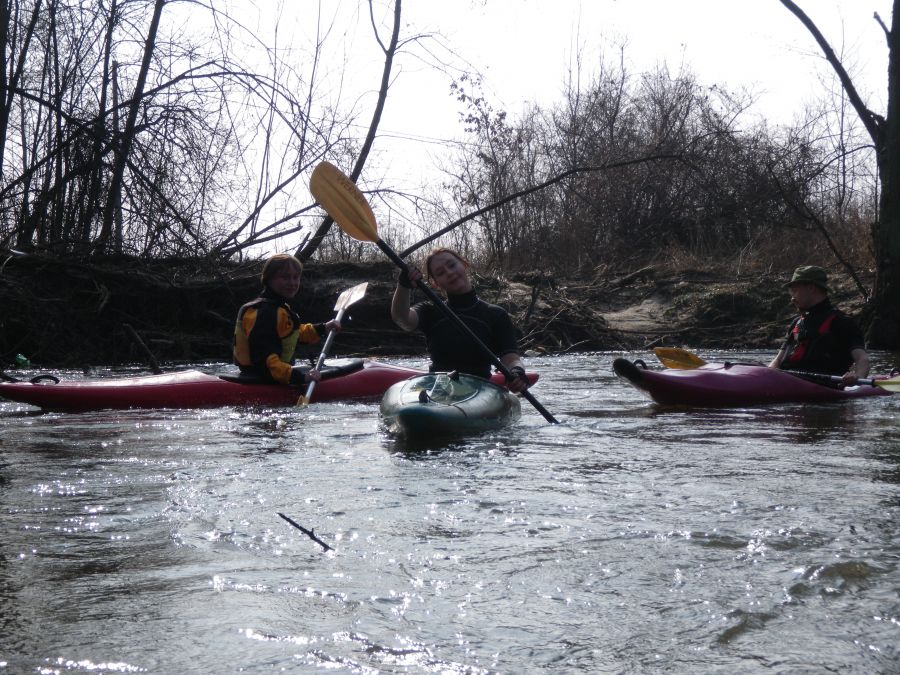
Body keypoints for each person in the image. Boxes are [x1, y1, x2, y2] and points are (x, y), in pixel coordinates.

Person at [391, 247, 530, 393]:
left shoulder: (495, 315)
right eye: (440, 273)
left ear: (464, 264)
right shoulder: (430, 311)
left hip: (479, 391)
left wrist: (517, 371)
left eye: (452, 265)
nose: (449, 273)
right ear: (435, 283)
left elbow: (511, 359)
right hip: (439, 389)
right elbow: (401, 318)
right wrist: (404, 285)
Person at [233, 253, 340, 385]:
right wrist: (300, 378)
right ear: (269, 278)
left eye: (296, 277)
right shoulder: (264, 312)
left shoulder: (279, 308)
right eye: (285, 277)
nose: (292, 283)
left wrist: (323, 328)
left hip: (272, 376)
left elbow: (293, 333)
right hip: (262, 379)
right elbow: (265, 360)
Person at [768, 265, 869, 386]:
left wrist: (857, 376)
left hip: (823, 390)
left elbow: (862, 359)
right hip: (788, 384)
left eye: (795, 291)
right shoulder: (797, 322)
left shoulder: (842, 322)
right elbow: (778, 360)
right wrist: (768, 374)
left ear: (811, 288)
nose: (792, 298)